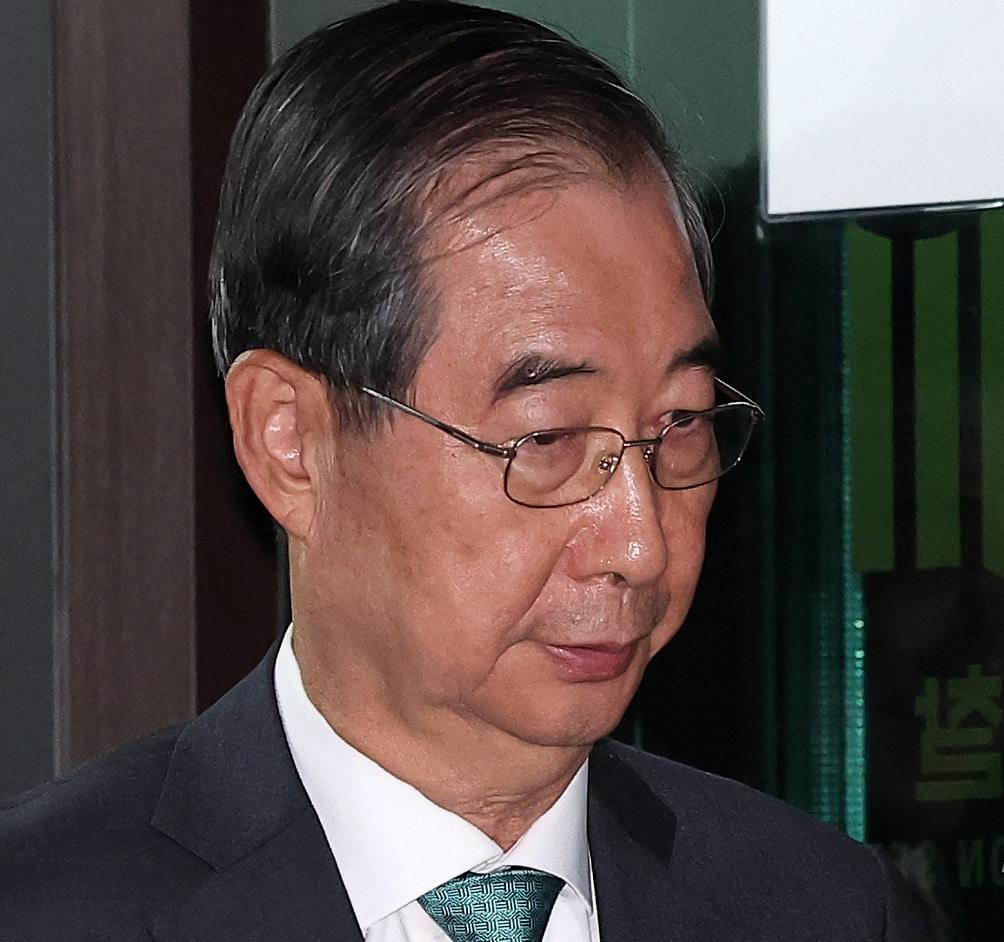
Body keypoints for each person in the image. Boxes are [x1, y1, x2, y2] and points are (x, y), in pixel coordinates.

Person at [0, 3, 933, 939]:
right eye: (549, 438)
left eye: (679, 423)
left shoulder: (829, 912)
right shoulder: (47, 908)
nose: (641, 545)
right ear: (292, 441)